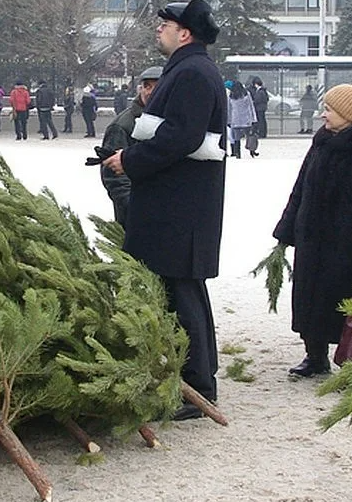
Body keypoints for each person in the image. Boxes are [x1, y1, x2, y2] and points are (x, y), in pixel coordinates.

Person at [102, 0, 225, 420]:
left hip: (180, 207)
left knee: (182, 291)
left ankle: (198, 386)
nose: (160, 30)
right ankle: (199, 378)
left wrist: (129, 161)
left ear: (185, 33)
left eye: (166, 25)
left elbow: (181, 137)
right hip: (176, 204)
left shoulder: (192, 72)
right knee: (185, 289)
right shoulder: (187, 67)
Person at [272, 84, 352, 378]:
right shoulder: (322, 141)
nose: (322, 115)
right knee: (309, 299)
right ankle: (314, 356)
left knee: (346, 303)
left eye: (329, 110)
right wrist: (287, 228)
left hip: (349, 246)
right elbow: (301, 187)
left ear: (349, 115)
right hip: (313, 239)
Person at [98, 66, 162, 229]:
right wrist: (134, 206)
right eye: (147, 86)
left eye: (157, 86)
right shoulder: (123, 125)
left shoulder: (172, 123)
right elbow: (114, 176)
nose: (150, 92)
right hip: (135, 218)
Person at [227, 80, 257, 158]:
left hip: (235, 120)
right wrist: (254, 119)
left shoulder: (231, 96)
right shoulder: (246, 94)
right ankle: (252, 150)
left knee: (236, 138)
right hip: (246, 119)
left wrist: (229, 120)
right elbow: (251, 107)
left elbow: (229, 109)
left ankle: (237, 153)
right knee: (249, 136)